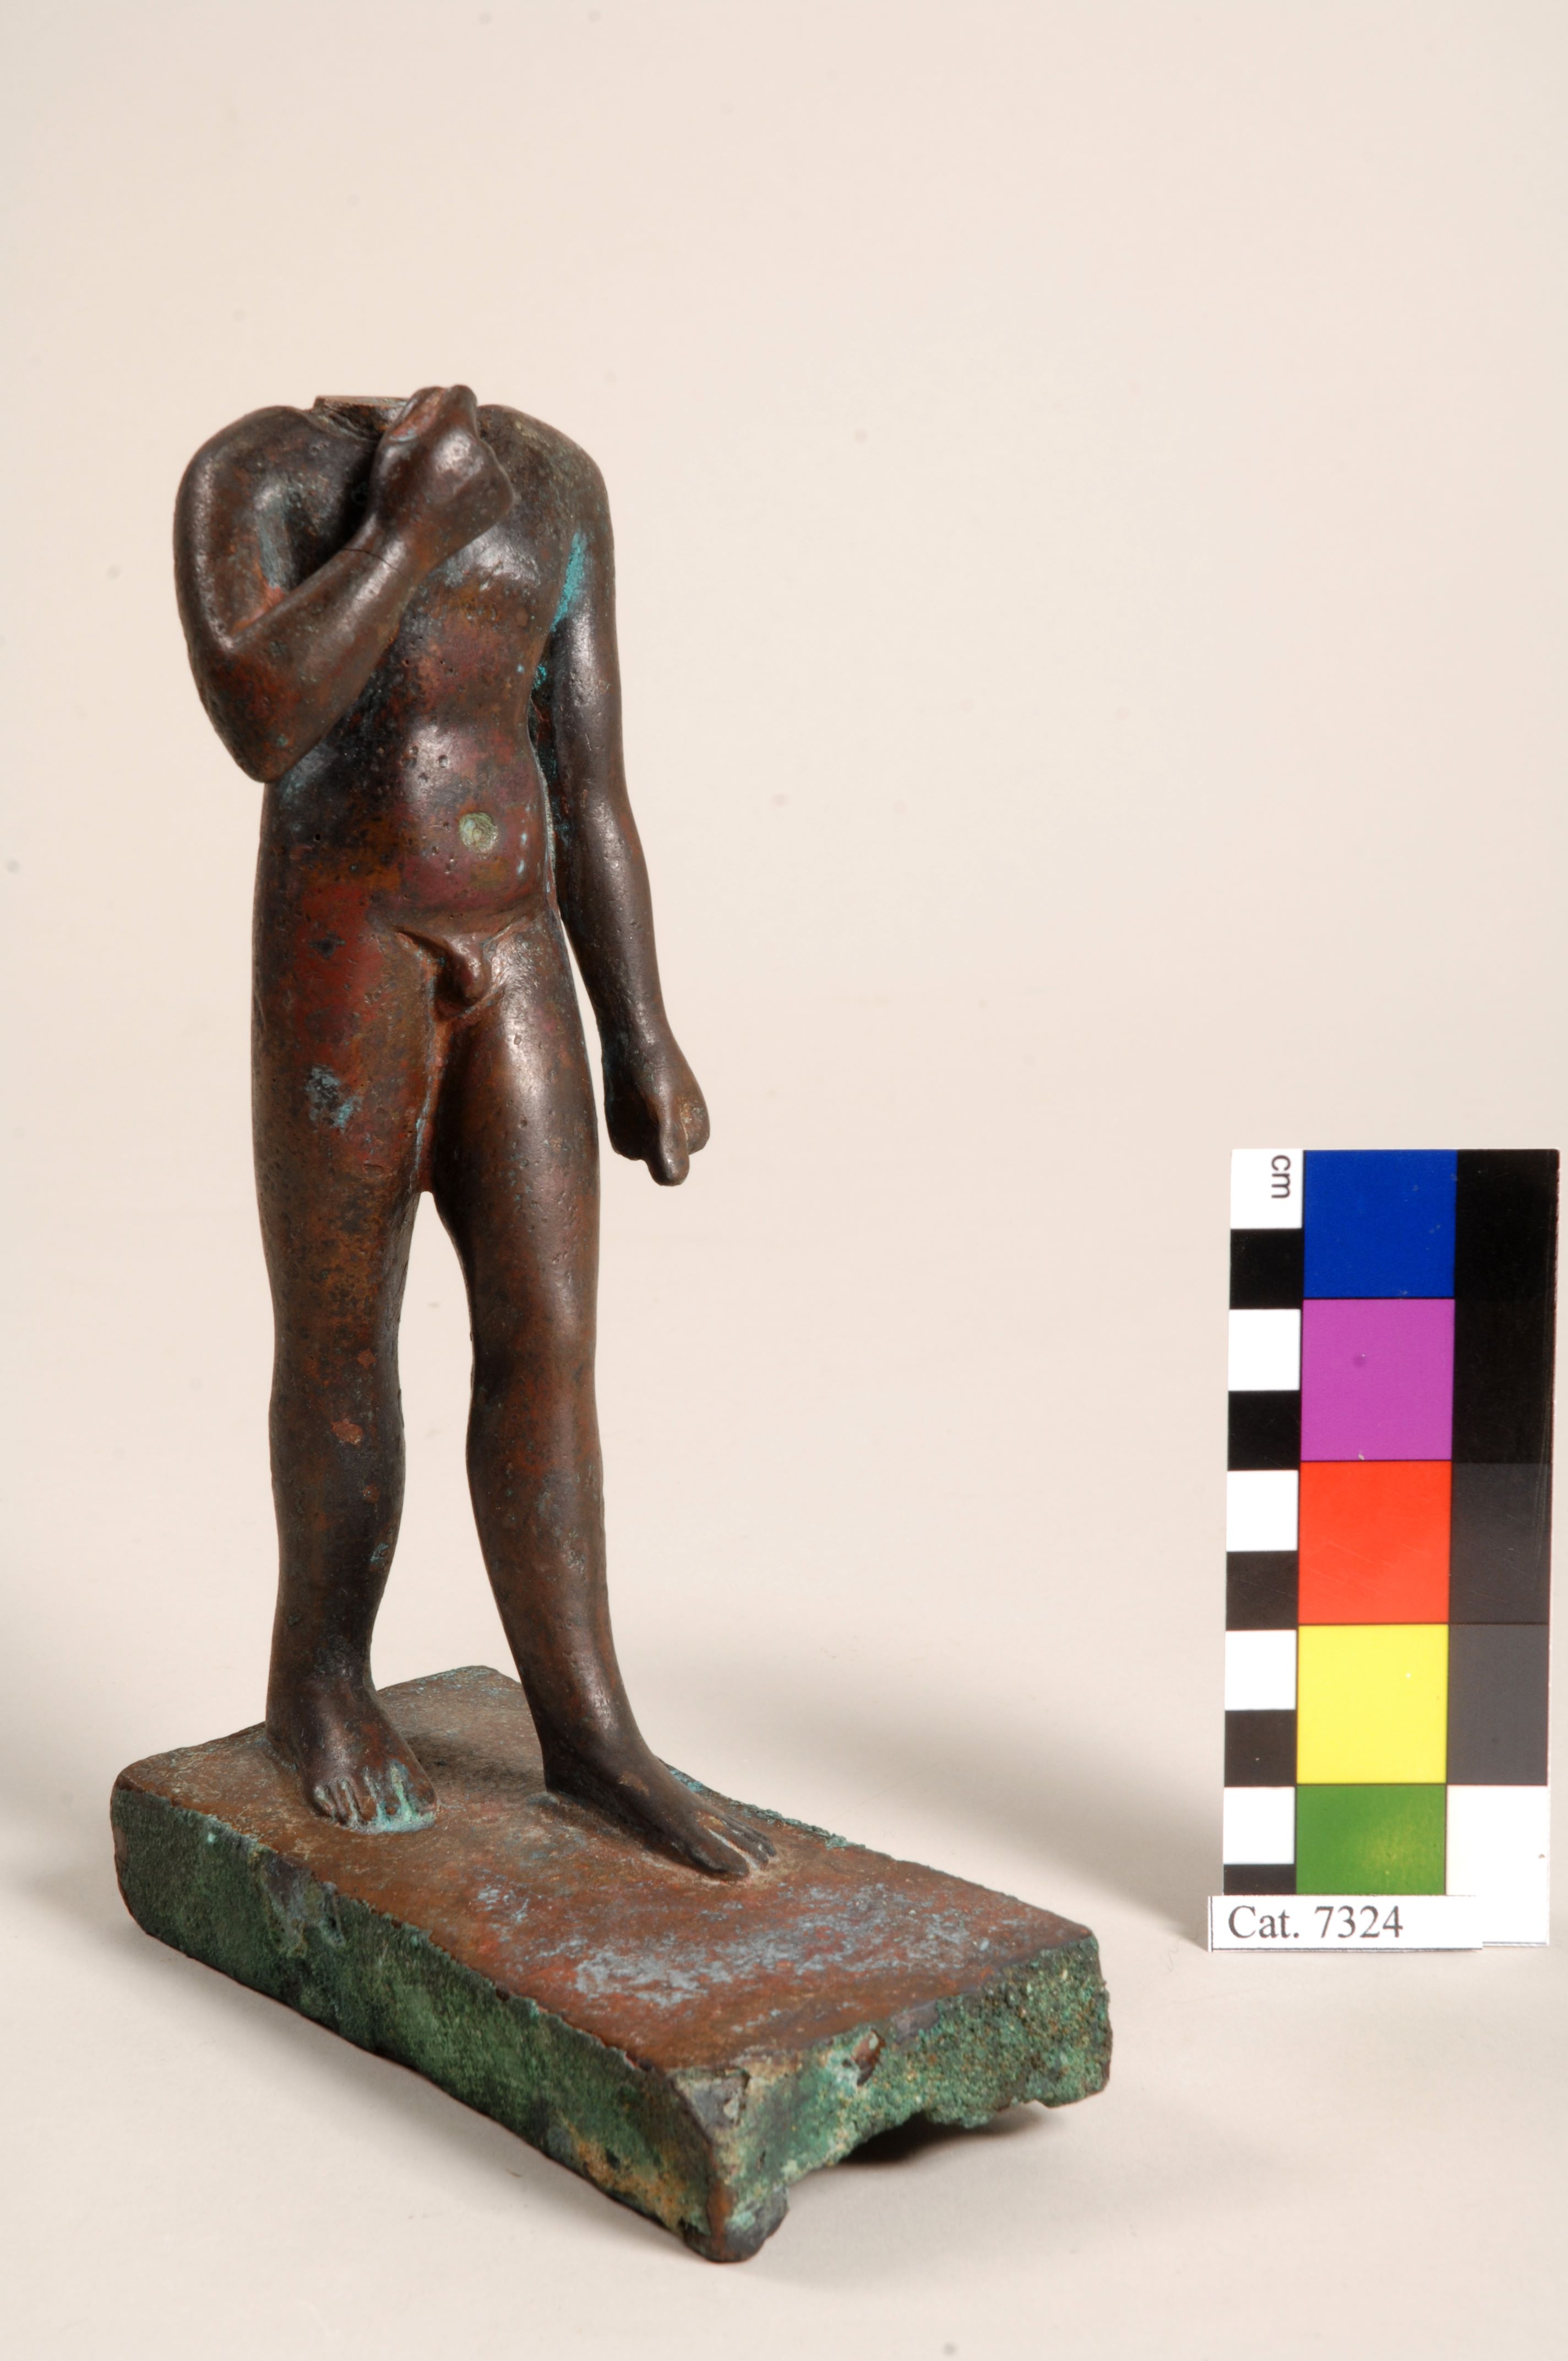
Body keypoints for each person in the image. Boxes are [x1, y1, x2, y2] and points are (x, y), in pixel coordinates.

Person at [175, 384, 769, 1875]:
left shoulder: (554, 481)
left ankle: (588, 1729)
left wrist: (640, 1027)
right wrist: (410, 528)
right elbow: (264, 717)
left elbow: (590, 784)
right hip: (346, 945)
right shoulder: (256, 476)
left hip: (515, 947)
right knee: (340, 1336)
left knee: (547, 1334)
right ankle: (319, 1682)